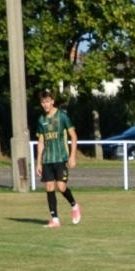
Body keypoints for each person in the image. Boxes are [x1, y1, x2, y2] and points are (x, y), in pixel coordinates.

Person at [36, 91, 81, 228]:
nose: (46, 104)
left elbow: (73, 136)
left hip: (61, 157)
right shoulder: (41, 120)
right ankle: (55, 219)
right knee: (49, 187)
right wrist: (38, 162)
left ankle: (74, 206)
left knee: (61, 187)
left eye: (48, 101)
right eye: (43, 102)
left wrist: (72, 156)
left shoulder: (62, 116)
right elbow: (41, 141)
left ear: (52, 101)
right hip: (47, 159)